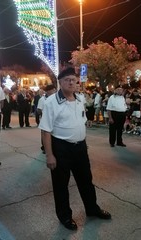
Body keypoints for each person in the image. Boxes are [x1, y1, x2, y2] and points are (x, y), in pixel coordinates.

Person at [38, 67, 111, 230]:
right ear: (60, 82)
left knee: (86, 180)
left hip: (80, 148)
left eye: (73, 79)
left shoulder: (80, 99)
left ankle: (92, 209)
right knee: (61, 185)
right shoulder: (51, 102)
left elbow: (81, 120)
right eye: (67, 80)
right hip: (61, 148)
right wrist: (49, 155)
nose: (71, 82)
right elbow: (46, 131)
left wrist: (82, 140)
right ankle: (65, 216)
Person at [37, 84, 56, 153]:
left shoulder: (56, 98)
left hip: (54, 120)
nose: (54, 91)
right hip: (45, 120)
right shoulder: (42, 99)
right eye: (52, 90)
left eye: (54, 90)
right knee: (45, 135)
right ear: (48, 91)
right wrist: (44, 113)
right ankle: (44, 147)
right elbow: (38, 110)